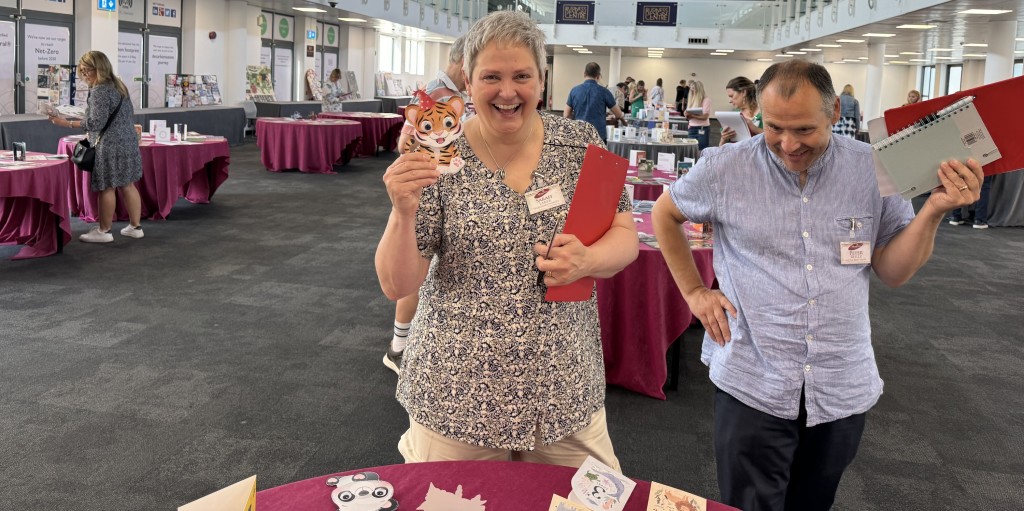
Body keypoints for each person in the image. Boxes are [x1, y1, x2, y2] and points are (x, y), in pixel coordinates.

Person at [651, 59, 984, 511]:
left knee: (814, 501)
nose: (788, 144)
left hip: (839, 379)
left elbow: (893, 270)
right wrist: (694, 291)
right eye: (774, 128)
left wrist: (933, 211)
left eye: (805, 130)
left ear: (833, 115)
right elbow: (664, 214)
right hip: (755, 375)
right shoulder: (724, 168)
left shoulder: (871, 168)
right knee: (750, 503)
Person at [376, 10, 638, 468]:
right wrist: (402, 212)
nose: (507, 91)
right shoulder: (439, 154)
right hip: (457, 393)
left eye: (522, 76)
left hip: (561, 387)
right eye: (491, 76)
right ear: (468, 83)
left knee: (589, 499)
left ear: (542, 81)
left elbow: (624, 234)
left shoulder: (580, 144)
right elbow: (398, 284)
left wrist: (588, 259)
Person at [386, 35, 470, 375]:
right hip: (429, 191)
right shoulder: (436, 94)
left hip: (445, 189)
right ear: (465, 62)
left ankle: (404, 342)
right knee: (417, 272)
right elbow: (404, 142)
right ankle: (398, 348)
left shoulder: (453, 94)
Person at [50, 50, 143, 243]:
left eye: (87, 70)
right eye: (81, 71)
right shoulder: (119, 86)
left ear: (98, 69)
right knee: (127, 184)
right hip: (128, 142)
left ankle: (104, 231)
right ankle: (135, 227)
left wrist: (65, 122)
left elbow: (95, 123)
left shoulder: (100, 90)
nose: (84, 75)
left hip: (109, 145)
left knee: (106, 187)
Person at [564, 62, 625, 143]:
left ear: (584, 73)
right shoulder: (604, 92)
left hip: (579, 134)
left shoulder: (574, 90)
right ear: (598, 75)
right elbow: (618, 114)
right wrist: (623, 121)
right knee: (597, 156)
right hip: (598, 136)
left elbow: (566, 114)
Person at [719, 76, 762, 146]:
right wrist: (723, 138)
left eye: (731, 96)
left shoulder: (764, 113)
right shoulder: (734, 114)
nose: (730, 101)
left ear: (744, 92)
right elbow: (721, 148)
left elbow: (773, 138)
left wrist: (753, 128)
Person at [683, 80, 711, 150]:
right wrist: (686, 114)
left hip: (702, 128)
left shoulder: (706, 100)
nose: (692, 92)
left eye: (694, 90)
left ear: (699, 90)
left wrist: (692, 116)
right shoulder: (691, 100)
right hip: (691, 128)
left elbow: (705, 117)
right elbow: (688, 116)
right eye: (691, 90)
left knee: (701, 150)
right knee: (690, 150)